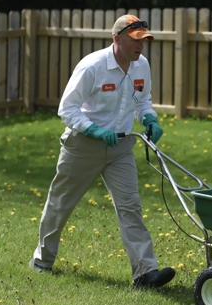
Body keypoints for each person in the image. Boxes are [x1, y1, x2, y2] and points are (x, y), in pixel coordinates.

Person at [29, 14, 175, 289]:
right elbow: (67, 108)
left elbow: (142, 100)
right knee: (60, 204)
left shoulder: (141, 65)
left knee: (131, 206)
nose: (140, 46)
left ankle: (145, 273)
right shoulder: (93, 66)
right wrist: (93, 130)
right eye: (135, 40)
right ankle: (42, 261)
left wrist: (149, 119)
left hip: (120, 148)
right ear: (117, 38)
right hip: (83, 146)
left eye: (143, 40)